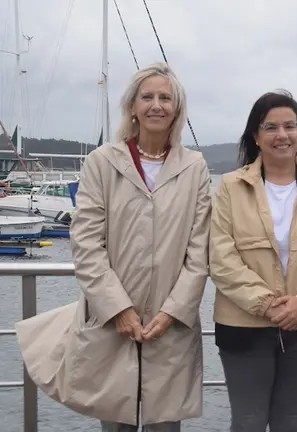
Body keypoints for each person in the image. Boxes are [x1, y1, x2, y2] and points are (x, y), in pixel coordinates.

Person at [15, 62, 212, 432]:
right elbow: (87, 241)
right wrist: (118, 308)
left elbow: (199, 252)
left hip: (171, 326)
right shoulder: (102, 162)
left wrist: (172, 312)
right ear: (132, 107)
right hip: (111, 323)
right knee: (115, 423)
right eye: (147, 96)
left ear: (177, 108)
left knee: (166, 425)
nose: (157, 105)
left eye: (165, 97)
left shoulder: (195, 167)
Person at [209, 90, 297, 431]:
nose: (282, 135)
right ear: (256, 136)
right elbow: (220, 255)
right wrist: (266, 304)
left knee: (291, 421)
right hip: (243, 322)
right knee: (248, 421)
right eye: (270, 127)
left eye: (290, 125)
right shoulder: (230, 187)